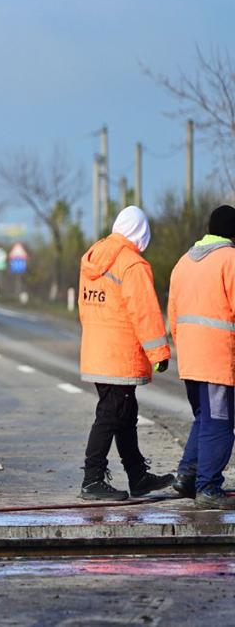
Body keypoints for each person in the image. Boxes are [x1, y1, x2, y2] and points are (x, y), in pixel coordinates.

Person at [77, 205, 175, 501]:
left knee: (125, 413)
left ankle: (137, 476)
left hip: (97, 351)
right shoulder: (132, 265)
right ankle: (92, 479)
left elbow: (86, 308)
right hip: (119, 355)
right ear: (140, 233)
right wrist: (159, 353)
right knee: (111, 414)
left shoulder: (92, 258)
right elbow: (144, 313)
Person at [168, 205, 235, 509]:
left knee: (204, 418)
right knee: (219, 423)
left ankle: (188, 475)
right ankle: (208, 487)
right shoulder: (230, 259)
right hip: (217, 359)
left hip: (190, 357)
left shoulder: (184, 262)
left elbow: (173, 314)